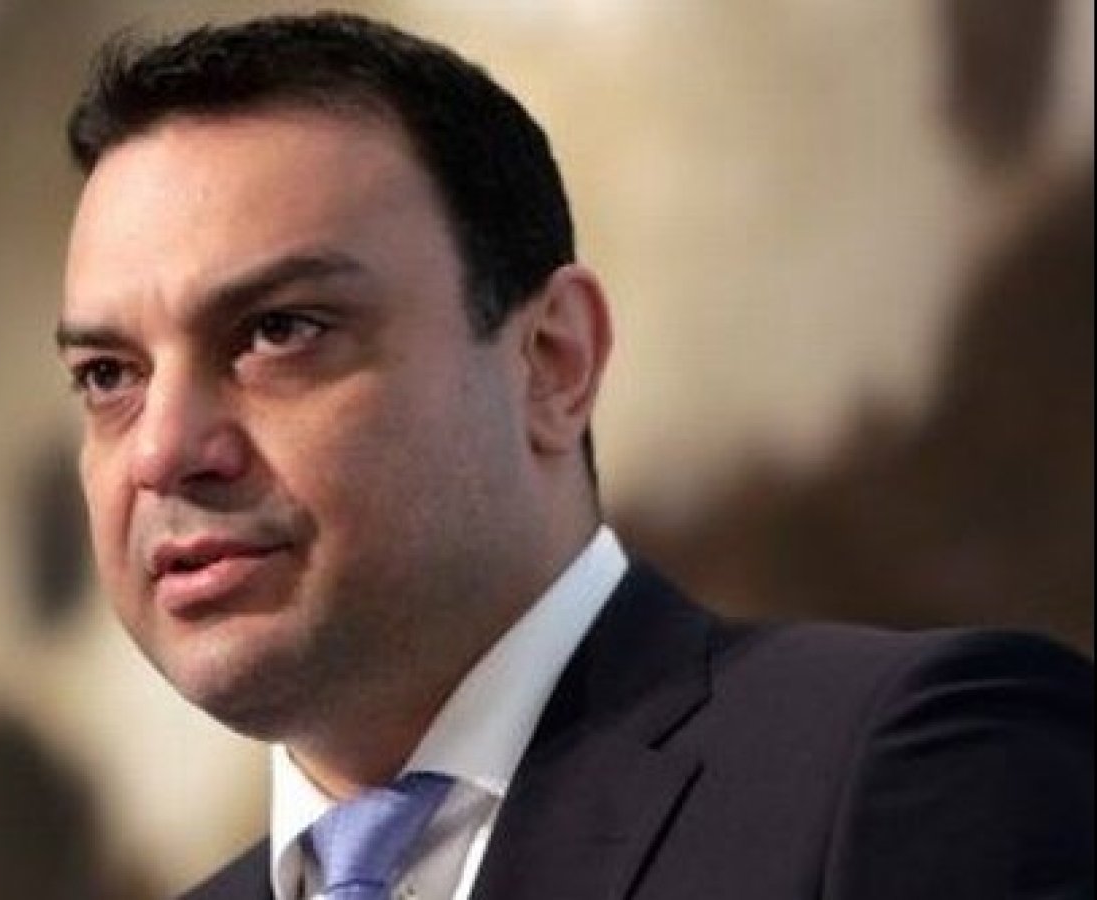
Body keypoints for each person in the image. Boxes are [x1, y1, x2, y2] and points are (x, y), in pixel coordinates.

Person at [54, 12, 1092, 900]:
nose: (164, 449)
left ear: (552, 360)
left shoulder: (908, 769)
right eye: (108, 374)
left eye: (279, 330)